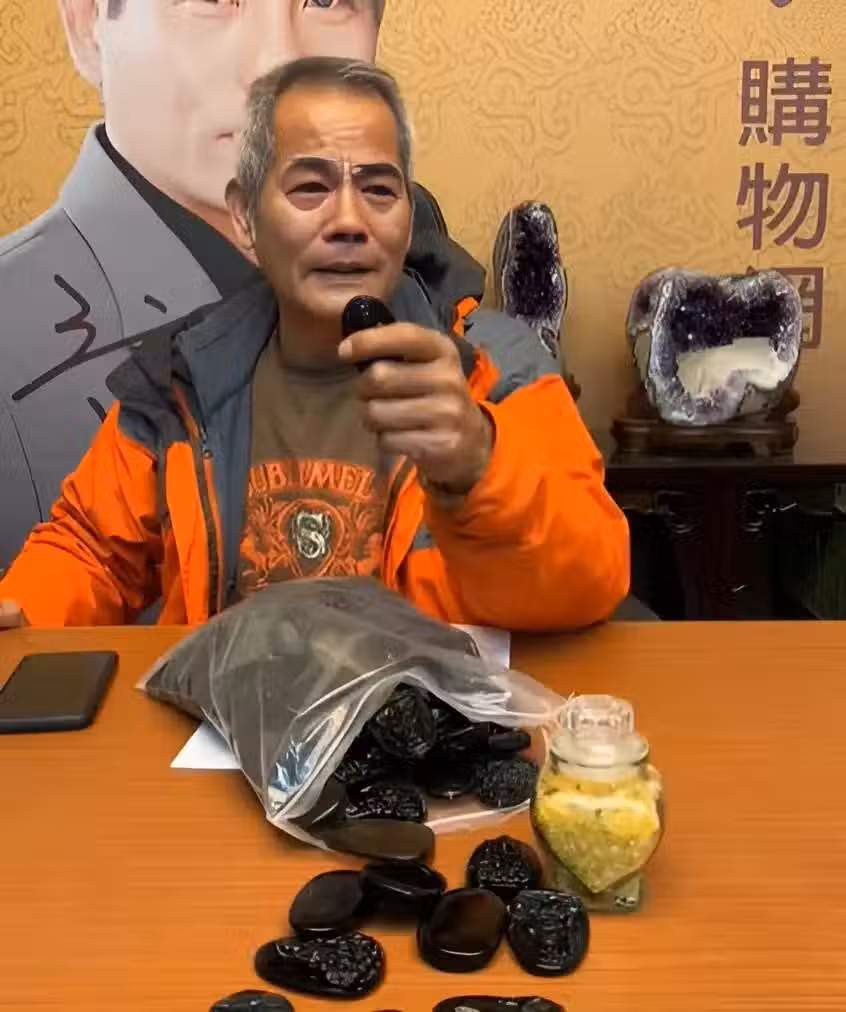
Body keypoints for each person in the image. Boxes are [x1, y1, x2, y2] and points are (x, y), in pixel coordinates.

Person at [0, 57, 629, 632]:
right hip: (228, 711)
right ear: (244, 217)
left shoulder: (493, 367)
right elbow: (92, 552)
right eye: (309, 188)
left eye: (379, 190)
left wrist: (479, 463)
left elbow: (592, 579)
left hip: (420, 714)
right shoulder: (184, 380)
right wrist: (23, 609)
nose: (349, 221)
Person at [2, 0, 470, 570]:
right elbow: (84, 562)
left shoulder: (451, 316)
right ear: (87, 23)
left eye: (324, 1)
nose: (278, 62)